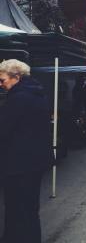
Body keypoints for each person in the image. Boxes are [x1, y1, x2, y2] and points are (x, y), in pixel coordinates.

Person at [0, 59, 53, 243]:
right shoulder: (37, 93)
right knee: (30, 210)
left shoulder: (19, 98)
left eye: (3, 80)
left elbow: (4, 129)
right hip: (33, 161)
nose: (1, 84)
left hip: (19, 164)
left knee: (17, 210)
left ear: (16, 77)